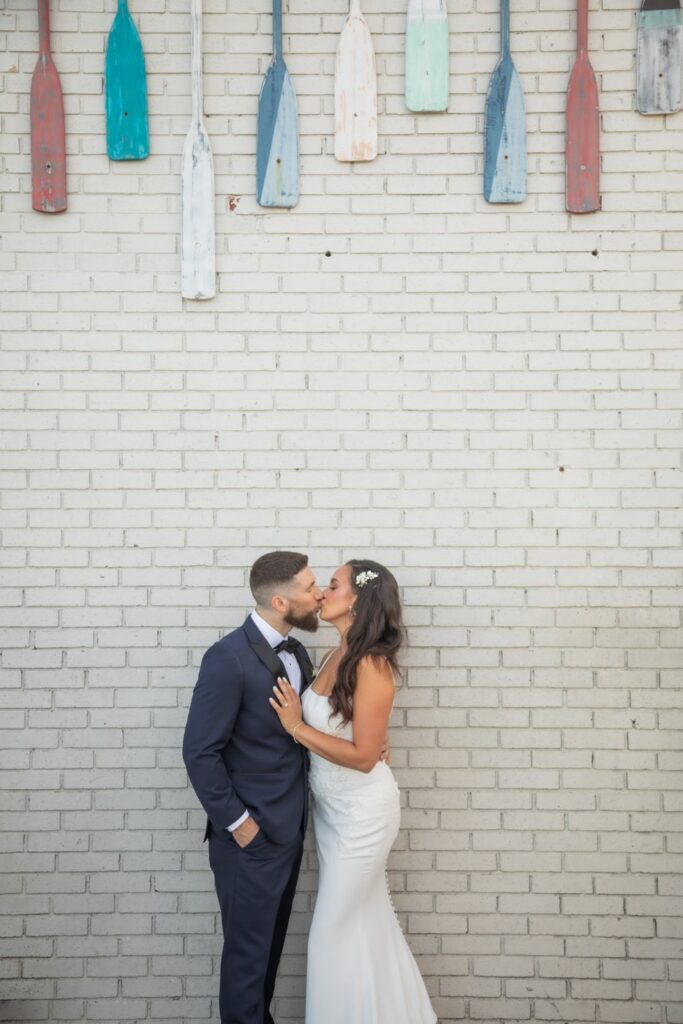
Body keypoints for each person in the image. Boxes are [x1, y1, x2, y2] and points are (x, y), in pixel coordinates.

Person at [270, 559, 437, 1024]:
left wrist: (296, 728)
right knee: (366, 926)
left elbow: (364, 757)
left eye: (334, 584)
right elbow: (354, 733)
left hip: (363, 816)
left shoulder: (372, 664)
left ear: (358, 601)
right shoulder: (332, 655)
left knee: (330, 934)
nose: (323, 592)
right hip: (332, 813)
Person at [182, 551, 323, 1024]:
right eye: (309, 588)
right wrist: (241, 826)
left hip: (287, 833)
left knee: (265, 961)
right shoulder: (227, 659)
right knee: (246, 965)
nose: (319, 594)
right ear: (281, 601)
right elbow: (200, 753)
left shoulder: (298, 652)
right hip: (250, 840)